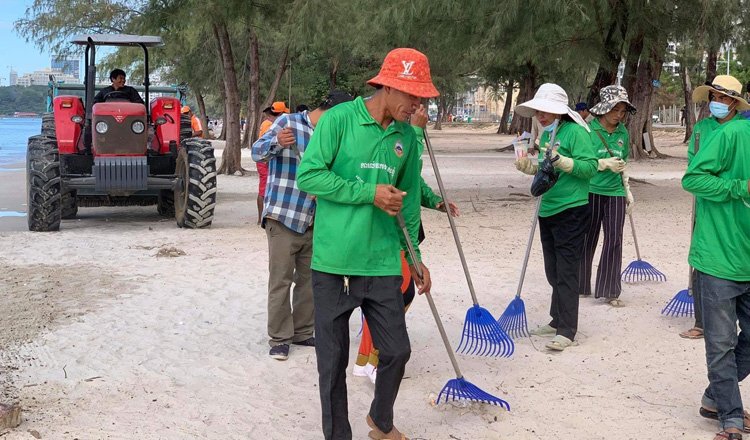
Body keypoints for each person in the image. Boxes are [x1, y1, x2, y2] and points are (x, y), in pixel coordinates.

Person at [297, 47, 437, 440]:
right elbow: (309, 177)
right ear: (389, 87)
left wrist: (416, 257)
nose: (418, 105)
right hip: (335, 262)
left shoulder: (407, 137)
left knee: (397, 351)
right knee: (333, 361)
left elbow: (407, 202)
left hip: (381, 262)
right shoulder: (340, 120)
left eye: (422, 98)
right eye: (414, 96)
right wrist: (368, 193)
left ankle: (380, 420)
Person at [352, 104, 458, 384]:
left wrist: (434, 200)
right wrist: (417, 132)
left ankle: (371, 358)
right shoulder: (396, 139)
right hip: (388, 232)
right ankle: (374, 359)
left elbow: (412, 180)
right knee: (395, 296)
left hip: (402, 233)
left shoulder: (404, 135)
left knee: (397, 296)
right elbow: (403, 164)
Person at [251, 90, 354, 361]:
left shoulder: (334, 134)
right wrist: (277, 142)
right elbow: (256, 152)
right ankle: (280, 338)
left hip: (315, 219)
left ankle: (303, 331)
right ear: (332, 110)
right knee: (281, 280)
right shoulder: (288, 122)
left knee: (309, 281)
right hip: (284, 216)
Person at [682, 75, 750, 440]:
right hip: (718, 253)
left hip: (747, 253)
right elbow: (693, 178)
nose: (718, 101)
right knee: (721, 342)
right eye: (716, 96)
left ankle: (716, 397)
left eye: (726, 97)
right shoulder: (726, 134)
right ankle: (731, 416)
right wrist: (739, 187)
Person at [514, 84, 598, 351]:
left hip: (571, 209)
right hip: (547, 208)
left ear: (560, 111)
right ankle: (555, 318)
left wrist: (565, 162)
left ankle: (567, 329)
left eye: (546, 111)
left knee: (566, 270)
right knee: (553, 269)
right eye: (538, 111)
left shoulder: (575, 132)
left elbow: (591, 167)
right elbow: (546, 168)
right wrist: (530, 166)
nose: (541, 115)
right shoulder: (550, 134)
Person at [578, 85, 636, 307]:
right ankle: (581, 284)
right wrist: (602, 165)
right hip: (590, 190)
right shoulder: (588, 131)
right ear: (603, 109)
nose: (619, 116)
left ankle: (610, 290)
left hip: (615, 193)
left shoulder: (623, 132)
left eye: (622, 111)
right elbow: (583, 163)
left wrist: (627, 190)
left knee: (614, 239)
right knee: (587, 238)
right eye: (615, 110)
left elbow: (625, 161)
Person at [255, 102, 291, 225]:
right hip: (265, 160)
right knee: (263, 189)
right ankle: (261, 218)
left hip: (267, 159)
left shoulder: (267, 123)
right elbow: (265, 144)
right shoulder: (270, 125)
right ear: (280, 113)